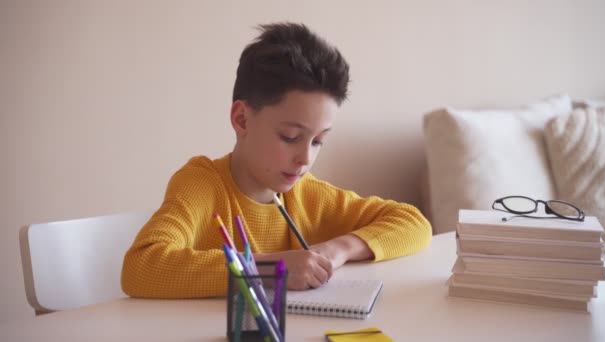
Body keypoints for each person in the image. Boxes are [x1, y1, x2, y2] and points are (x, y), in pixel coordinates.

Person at [121, 22, 432, 298]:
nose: (305, 158)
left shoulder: (305, 194)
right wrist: (272, 268)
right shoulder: (202, 185)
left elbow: (413, 223)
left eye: (319, 141)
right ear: (242, 119)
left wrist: (336, 250)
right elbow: (141, 267)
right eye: (290, 137)